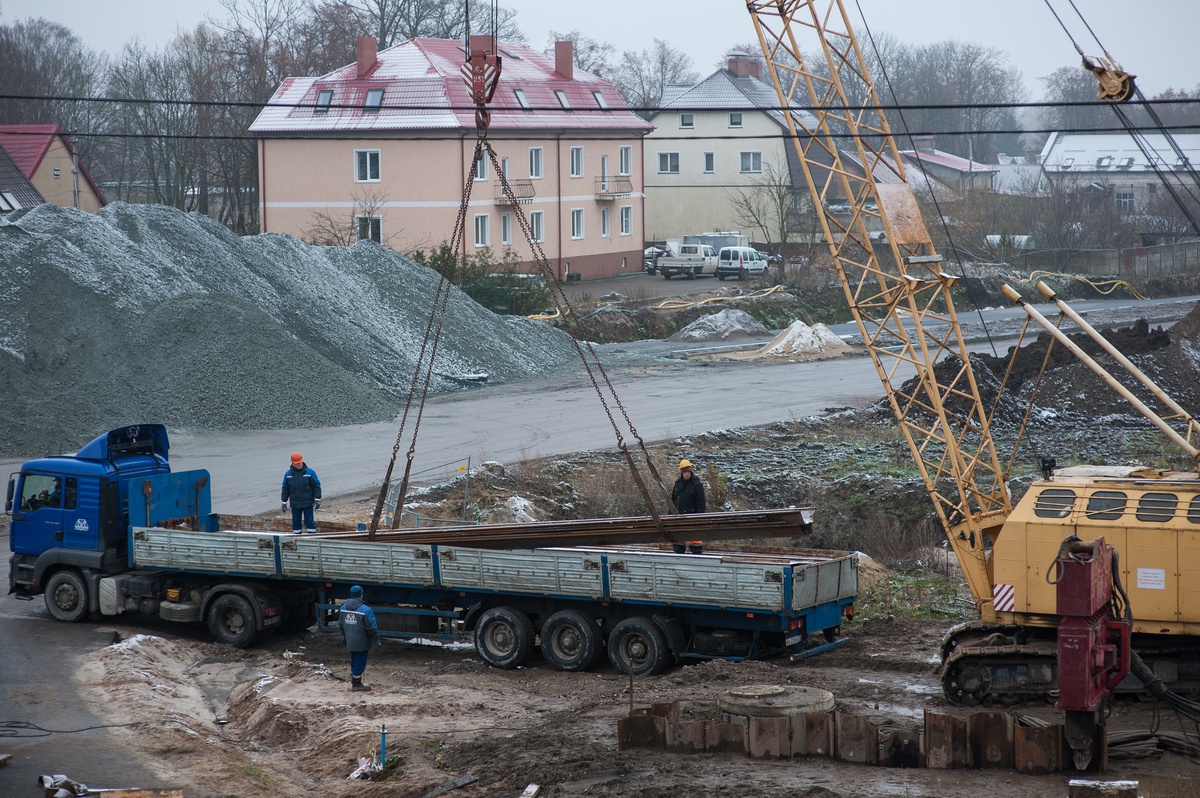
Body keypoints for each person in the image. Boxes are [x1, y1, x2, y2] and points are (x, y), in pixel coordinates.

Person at [337, 585, 379, 692]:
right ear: (361, 594)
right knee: (360, 661)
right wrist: (376, 640)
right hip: (362, 641)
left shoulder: (343, 608)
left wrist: (345, 637)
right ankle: (356, 684)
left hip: (350, 640)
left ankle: (355, 680)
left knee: (354, 660)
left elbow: (341, 624)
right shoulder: (366, 610)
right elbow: (372, 628)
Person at [281, 452, 322, 534]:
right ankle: (296, 537)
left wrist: (317, 499)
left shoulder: (310, 472)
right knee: (296, 522)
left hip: (307, 502)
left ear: (302, 461)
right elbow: (285, 488)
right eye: (296, 463)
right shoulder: (288, 474)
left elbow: (316, 486)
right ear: (292, 463)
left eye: (299, 463)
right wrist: (284, 501)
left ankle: (312, 536)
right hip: (295, 503)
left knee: (309, 520)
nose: (299, 465)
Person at [671, 459, 706, 554]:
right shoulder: (678, 484)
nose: (686, 474)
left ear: (691, 472)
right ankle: (680, 548)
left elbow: (701, 502)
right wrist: (670, 515)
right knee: (679, 543)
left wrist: (699, 516)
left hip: (693, 517)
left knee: (695, 543)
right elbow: (673, 500)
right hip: (679, 517)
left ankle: (696, 550)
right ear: (682, 473)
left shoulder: (697, 484)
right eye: (684, 472)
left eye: (688, 472)